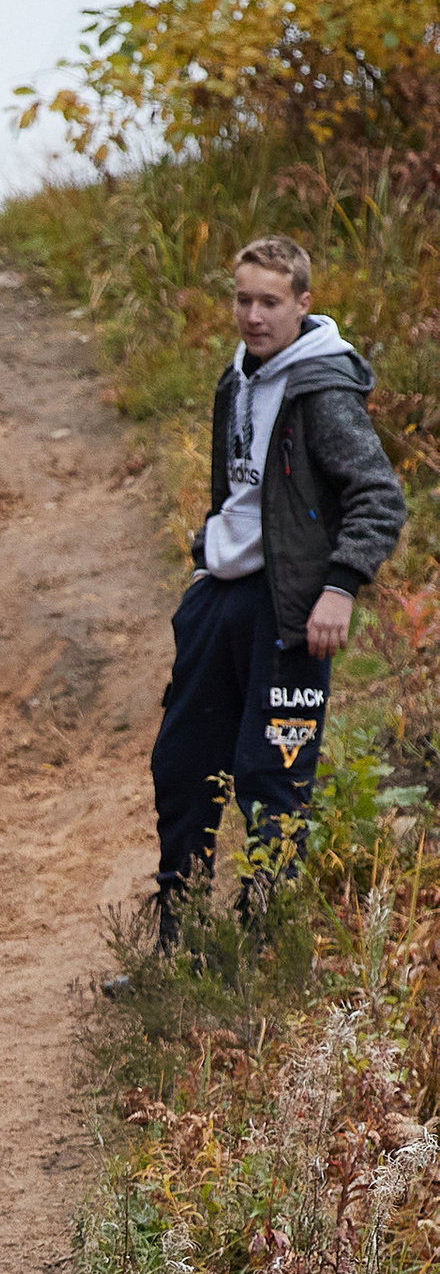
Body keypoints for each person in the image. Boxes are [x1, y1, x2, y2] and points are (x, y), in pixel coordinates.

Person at [142, 233, 404, 938]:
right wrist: (203, 570)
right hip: (219, 601)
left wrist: (339, 589)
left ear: (302, 303)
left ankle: (263, 957)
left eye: (270, 302)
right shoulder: (236, 379)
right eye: (242, 300)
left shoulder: (323, 388)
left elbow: (380, 497)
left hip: (288, 613)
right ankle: (179, 948)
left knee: (271, 782)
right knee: (183, 768)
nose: (253, 317)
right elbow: (232, 495)